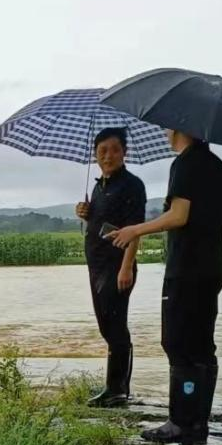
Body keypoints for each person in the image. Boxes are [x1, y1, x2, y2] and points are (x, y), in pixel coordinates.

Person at [108, 129, 222, 445]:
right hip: (213, 267)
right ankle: (197, 424)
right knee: (203, 346)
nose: (165, 132)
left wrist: (137, 228)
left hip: (187, 268)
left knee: (177, 344)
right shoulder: (218, 166)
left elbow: (179, 215)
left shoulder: (185, 164)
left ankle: (180, 422)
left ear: (179, 128)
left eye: (167, 127)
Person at [75, 127, 147, 407]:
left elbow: (135, 229)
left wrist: (127, 267)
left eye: (114, 149)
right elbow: (99, 219)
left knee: (116, 327)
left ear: (124, 152)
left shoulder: (132, 185)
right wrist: (84, 211)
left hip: (117, 265)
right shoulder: (99, 185)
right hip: (96, 265)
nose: (108, 156)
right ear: (95, 155)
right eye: (102, 151)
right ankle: (113, 386)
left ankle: (117, 389)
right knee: (106, 326)